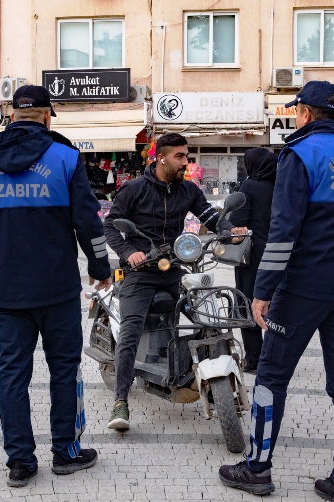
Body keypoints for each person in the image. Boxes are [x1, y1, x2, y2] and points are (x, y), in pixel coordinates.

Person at [218, 81, 334, 501]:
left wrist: (262, 291)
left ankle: (257, 469)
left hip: (302, 289)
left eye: (297, 111)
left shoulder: (298, 156)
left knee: (272, 377)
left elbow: (283, 231)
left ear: (306, 114)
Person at [0, 85, 112, 487]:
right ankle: (67, 452)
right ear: (46, 115)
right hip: (57, 288)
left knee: (12, 375)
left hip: (6, 291)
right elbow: (88, 220)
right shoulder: (65, 157)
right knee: (64, 370)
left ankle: (20, 463)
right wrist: (100, 266)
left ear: (11, 115)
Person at [103, 133, 247, 430]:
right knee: (130, 333)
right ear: (162, 158)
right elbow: (110, 226)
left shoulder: (189, 191)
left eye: (187, 156)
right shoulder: (134, 190)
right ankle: (120, 402)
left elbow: (211, 217)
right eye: (180, 156)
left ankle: (214, 376)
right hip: (140, 273)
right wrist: (129, 252)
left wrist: (230, 230)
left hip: (175, 269)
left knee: (207, 315)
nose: (186, 162)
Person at [227, 147, 277, 372]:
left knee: (248, 303)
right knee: (276, 304)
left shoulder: (249, 186)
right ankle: (277, 356)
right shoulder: (281, 186)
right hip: (281, 253)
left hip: (254, 254)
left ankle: (255, 359)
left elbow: (239, 221)